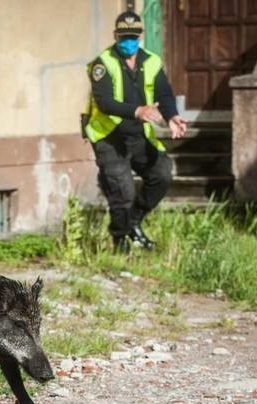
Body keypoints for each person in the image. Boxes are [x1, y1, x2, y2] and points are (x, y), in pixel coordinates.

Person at [83, 10, 187, 253]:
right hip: (109, 136)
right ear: (115, 36)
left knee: (161, 174)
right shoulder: (103, 63)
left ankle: (134, 222)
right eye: (123, 36)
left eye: (133, 36)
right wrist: (138, 111)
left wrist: (173, 116)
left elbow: (164, 94)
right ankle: (120, 242)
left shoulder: (151, 61)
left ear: (140, 36)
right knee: (123, 191)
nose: (128, 41)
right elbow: (104, 102)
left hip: (139, 135)